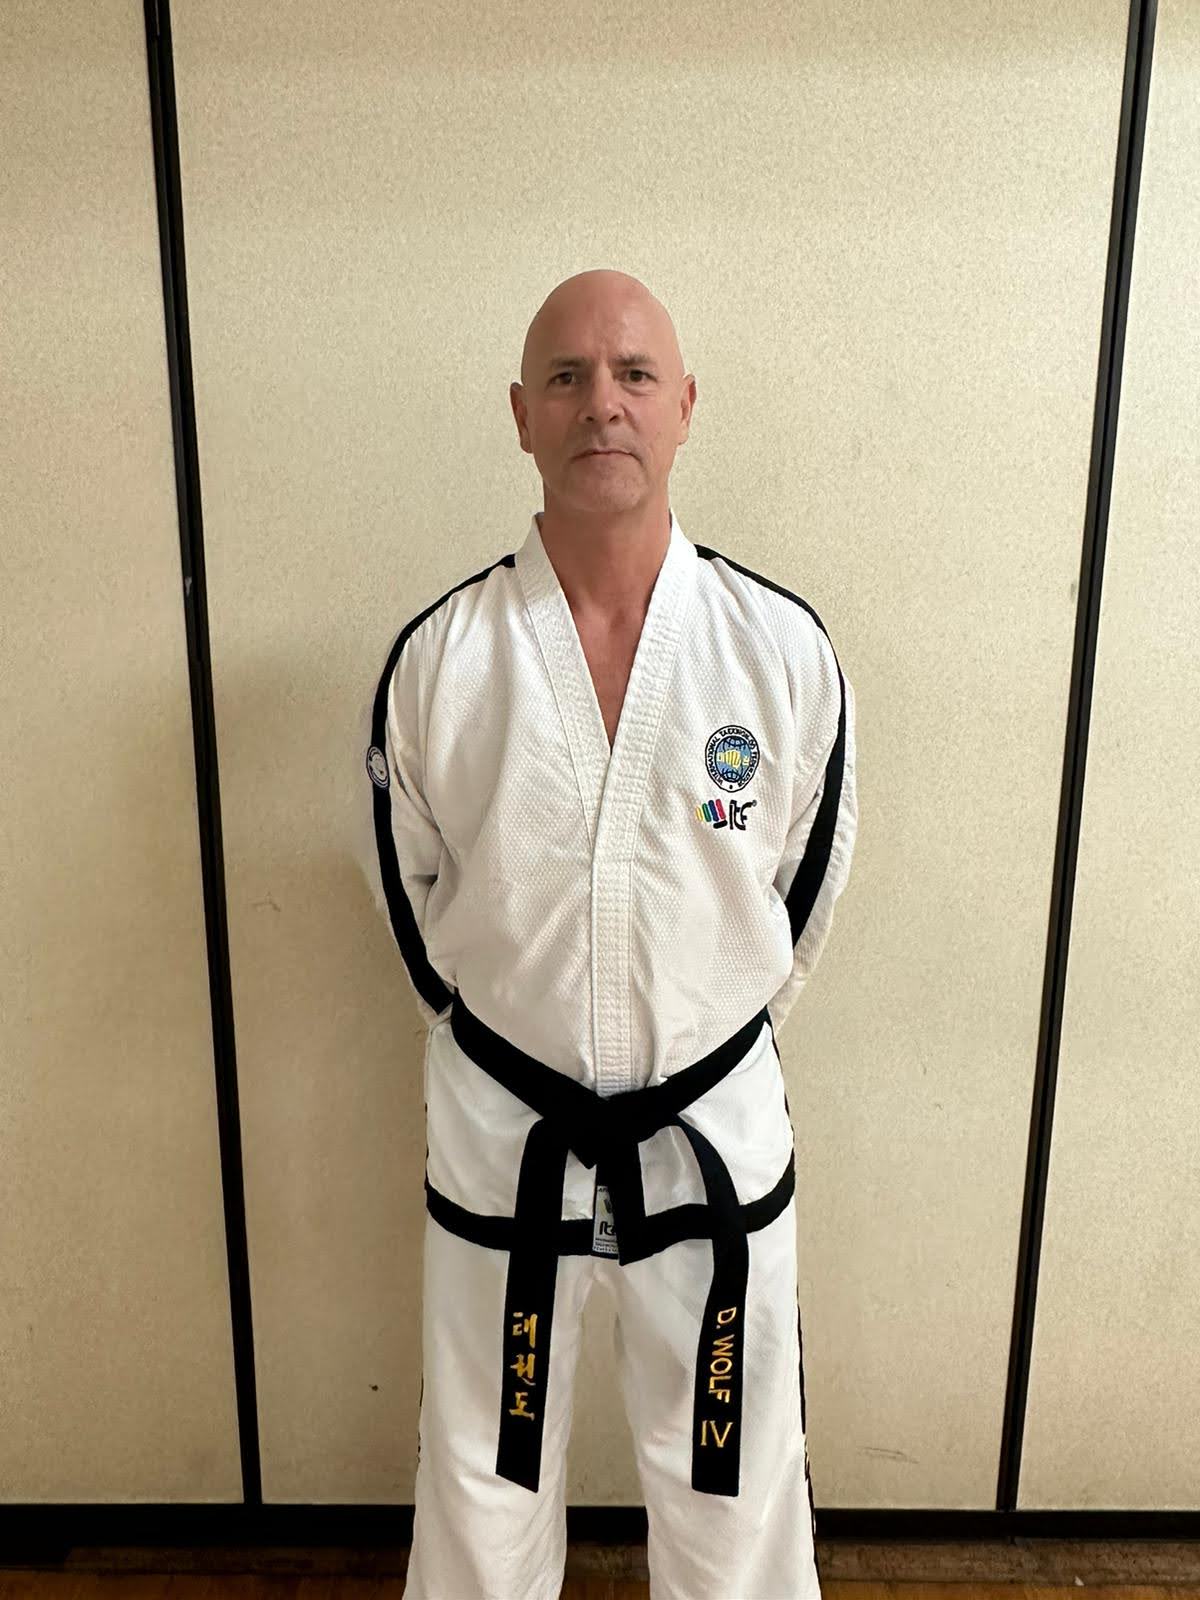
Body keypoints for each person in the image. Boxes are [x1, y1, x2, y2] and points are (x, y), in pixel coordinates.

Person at [359, 268, 858, 1600]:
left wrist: (705, 1032)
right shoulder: (442, 660)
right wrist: (512, 1049)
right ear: (522, 413)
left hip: (711, 1124)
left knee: (735, 1485)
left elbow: (803, 887)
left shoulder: (778, 651)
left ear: (684, 405)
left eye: (635, 374)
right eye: (568, 378)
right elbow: (411, 898)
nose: (603, 405)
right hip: (505, 1125)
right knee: (482, 1476)